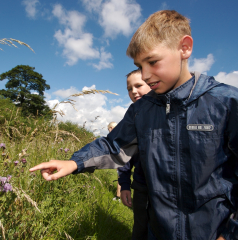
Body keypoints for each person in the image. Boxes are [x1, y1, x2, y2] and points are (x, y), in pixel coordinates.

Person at [29, 10, 238, 240]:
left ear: (184, 48)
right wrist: (73, 162)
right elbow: (113, 147)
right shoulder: (141, 110)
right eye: (140, 65)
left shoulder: (226, 103)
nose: (145, 75)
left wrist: (229, 233)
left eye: (152, 62)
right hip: (158, 230)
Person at [118, 69, 151, 240]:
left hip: (168, 192)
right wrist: (124, 184)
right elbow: (124, 152)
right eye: (129, 89)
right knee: (140, 228)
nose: (134, 91)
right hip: (141, 187)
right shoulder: (133, 114)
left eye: (139, 85)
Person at [107, 121, 121, 199]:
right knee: (122, 177)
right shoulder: (121, 134)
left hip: (121, 160)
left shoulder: (114, 136)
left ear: (111, 128)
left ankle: (118, 197)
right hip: (123, 159)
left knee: (120, 177)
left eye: (108, 129)